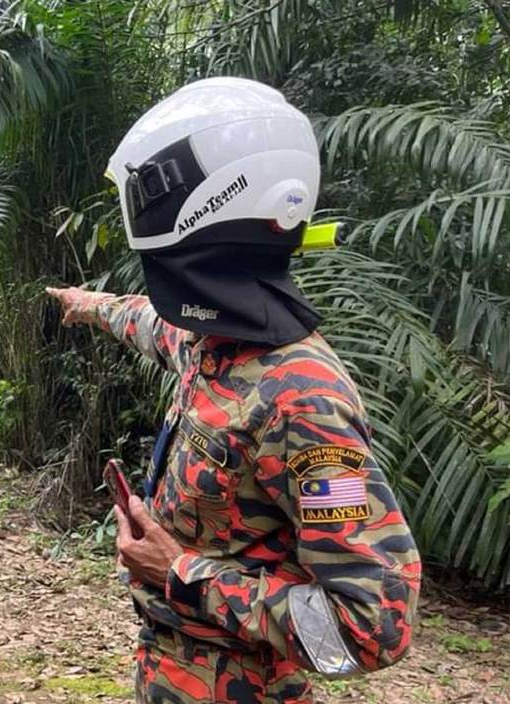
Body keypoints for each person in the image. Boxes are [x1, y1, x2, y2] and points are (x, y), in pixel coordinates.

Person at [47, 78, 421, 704]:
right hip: (169, 669)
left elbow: (371, 628)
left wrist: (182, 573)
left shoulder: (301, 401)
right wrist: (84, 305)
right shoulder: (213, 345)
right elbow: (148, 322)